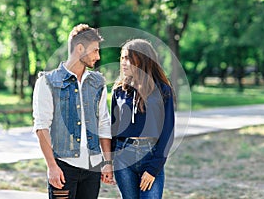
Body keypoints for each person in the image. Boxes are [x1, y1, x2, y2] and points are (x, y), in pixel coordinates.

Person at [32, 24, 114, 199]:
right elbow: (41, 127)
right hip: (63, 167)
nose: (98, 57)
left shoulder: (98, 82)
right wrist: (52, 166)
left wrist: (107, 162)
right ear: (79, 48)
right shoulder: (47, 82)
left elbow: (104, 123)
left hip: (92, 168)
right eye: (94, 51)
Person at [111, 39, 175, 199]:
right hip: (123, 158)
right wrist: (109, 162)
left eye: (129, 58)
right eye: (122, 58)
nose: (124, 63)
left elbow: (168, 132)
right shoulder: (119, 90)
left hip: (151, 155)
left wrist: (154, 169)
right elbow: (113, 128)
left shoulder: (163, 91)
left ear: (143, 60)